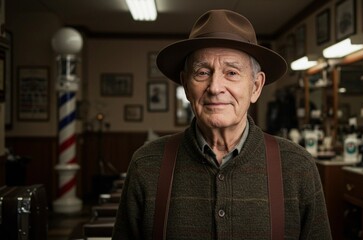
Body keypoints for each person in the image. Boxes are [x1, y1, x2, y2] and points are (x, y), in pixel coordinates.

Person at [112, 9, 332, 239]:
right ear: (186, 86)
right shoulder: (147, 165)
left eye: (232, 72)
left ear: (256, 86)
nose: (215, 87)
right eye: (203, 72)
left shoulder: (297, 166)